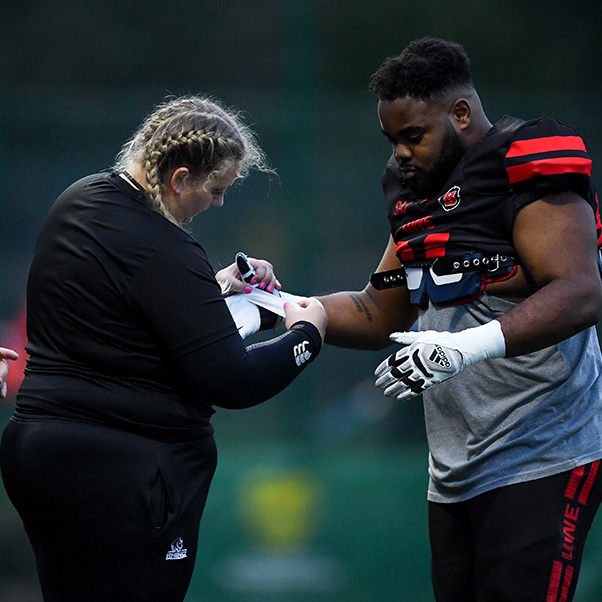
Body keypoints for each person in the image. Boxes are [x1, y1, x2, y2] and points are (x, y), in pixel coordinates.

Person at [0, 95, 327, 602]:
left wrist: (210, 293)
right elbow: (233, 379)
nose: (218, 202)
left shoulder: (79, 200)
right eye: (216, 189)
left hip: (37, 453)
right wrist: (308, 333)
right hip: (122, 471)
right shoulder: (165, 247)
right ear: (179, 179)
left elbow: (121, 324)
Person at [316, 37, 602, 602]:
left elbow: (580, 293)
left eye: (413, 135)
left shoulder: (524, 164)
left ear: (462, 113)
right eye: (392, 139)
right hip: (454, 471)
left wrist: (464, 347)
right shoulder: (415, 197)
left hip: (542, 451)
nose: (400, 152)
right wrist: (277, 308)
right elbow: (378, 311)